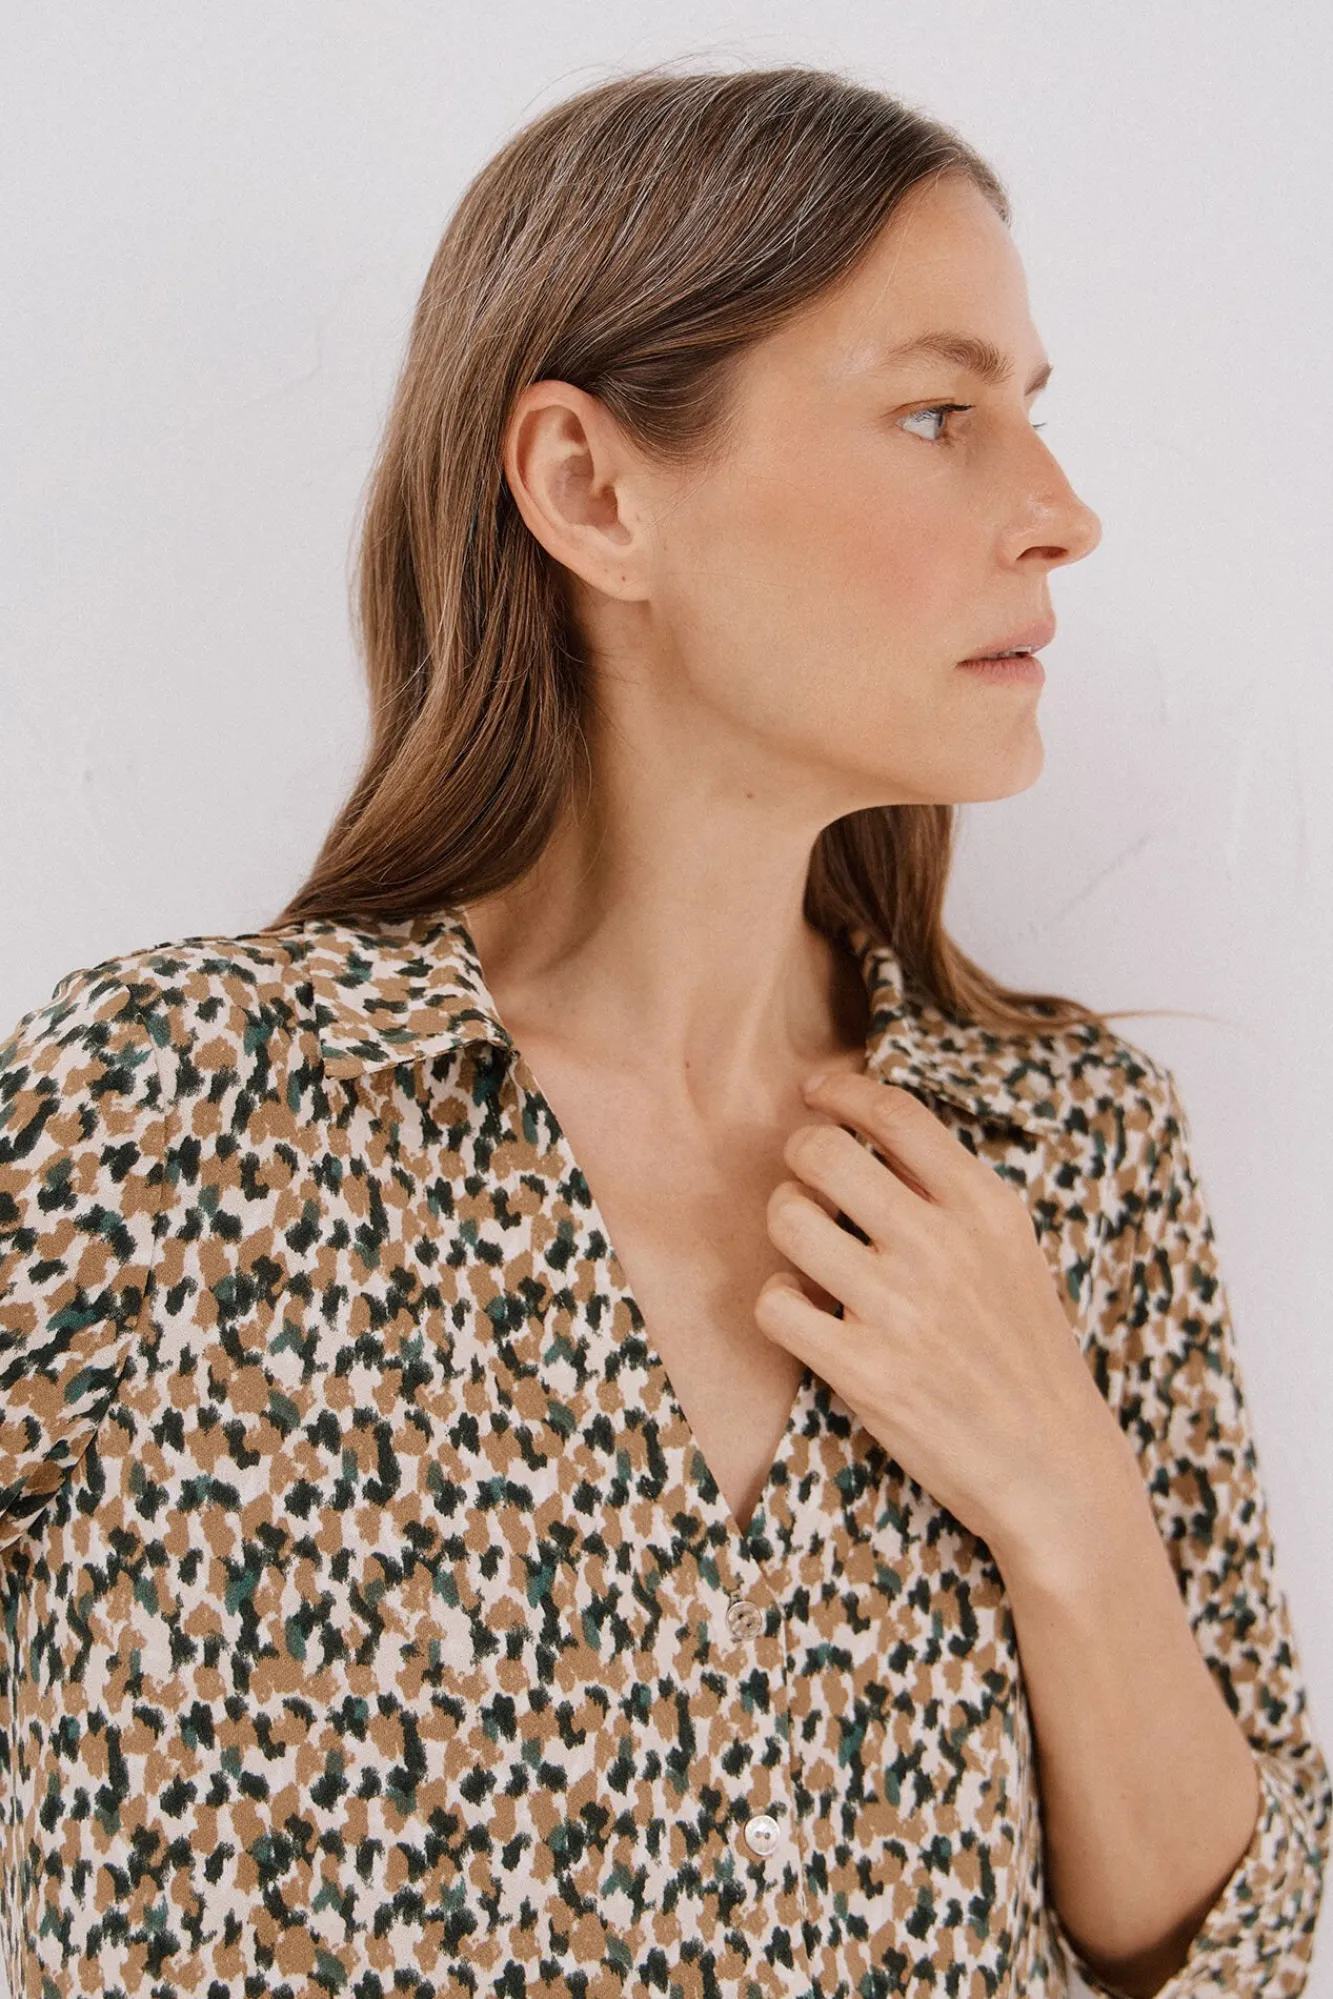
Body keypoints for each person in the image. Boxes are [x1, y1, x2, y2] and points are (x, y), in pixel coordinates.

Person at [0, 60, 1327, 1999]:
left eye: (1033, 417)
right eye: (939, 413)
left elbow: (1226, 1959)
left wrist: (1069, 1498)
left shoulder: (1066, 1154)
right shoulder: (177, 1116)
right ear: (591, 488)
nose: (1061, 515)